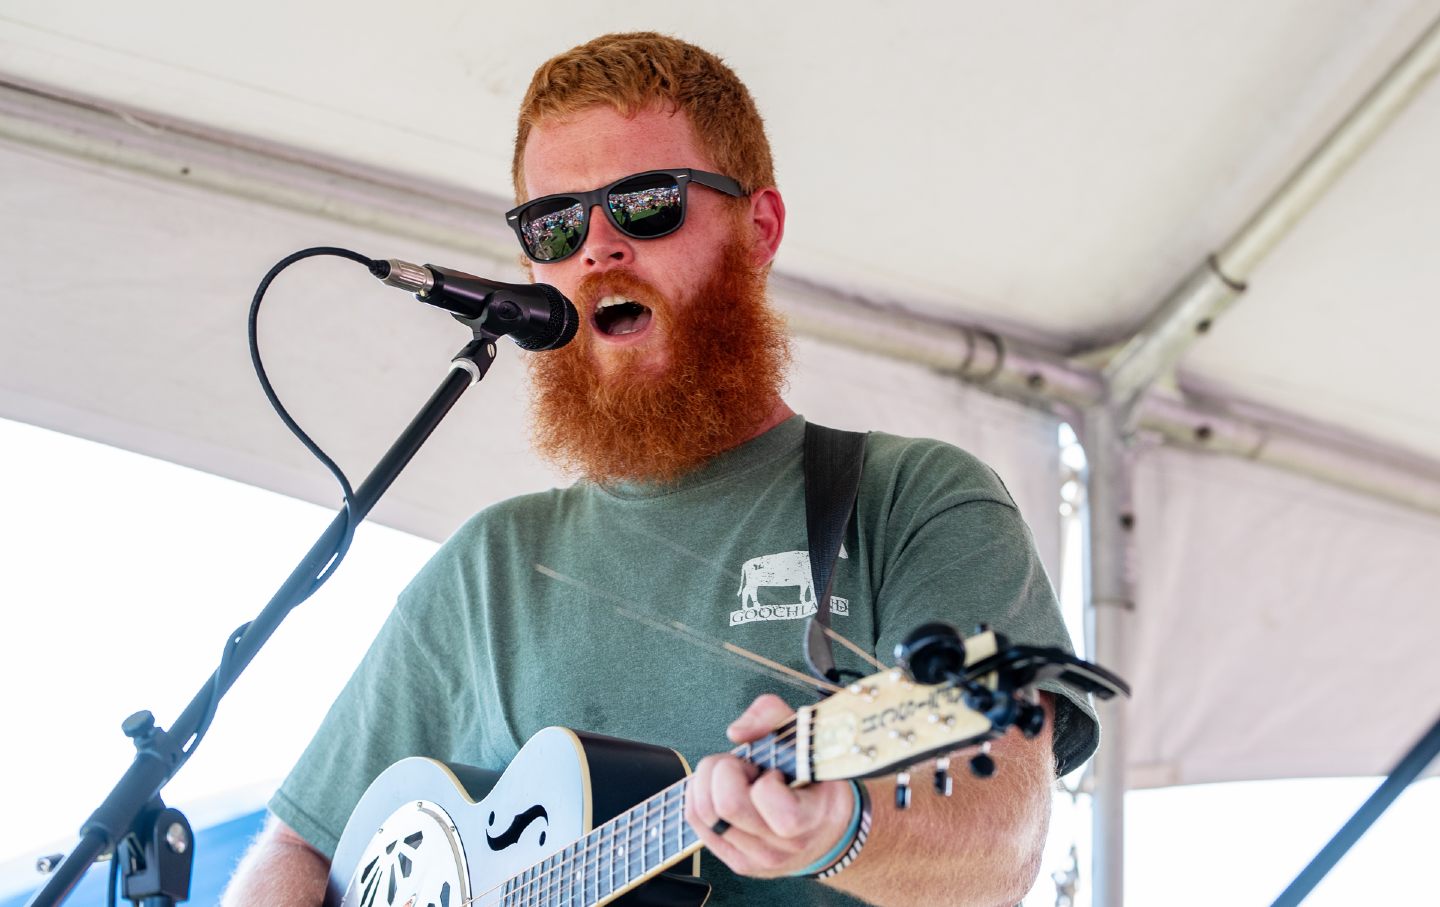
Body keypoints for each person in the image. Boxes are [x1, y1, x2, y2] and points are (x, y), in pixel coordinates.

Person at [223, 32, 1097, 907]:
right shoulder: (488, 565)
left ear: (758, 228)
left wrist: (842, 827)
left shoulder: (913, 500)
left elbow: (1000, 847)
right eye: (557, 222)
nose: (598, 248)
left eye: (646, 204)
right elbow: (299, 843)